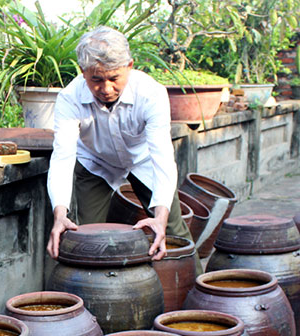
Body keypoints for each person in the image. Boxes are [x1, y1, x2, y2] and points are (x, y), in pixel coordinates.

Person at [45, 25, 196, 265]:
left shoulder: (151, 94)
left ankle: (195, 293)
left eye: (114, 78)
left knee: (174, 230)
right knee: (87, 238)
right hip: (95, 162)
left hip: (142, 159)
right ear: (83, 71)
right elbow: (62, 159)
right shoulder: (69, 98)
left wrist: (160, 218)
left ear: (129, 67)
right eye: (96, 80)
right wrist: (60, 213)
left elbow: (163, 157)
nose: (106, 89)